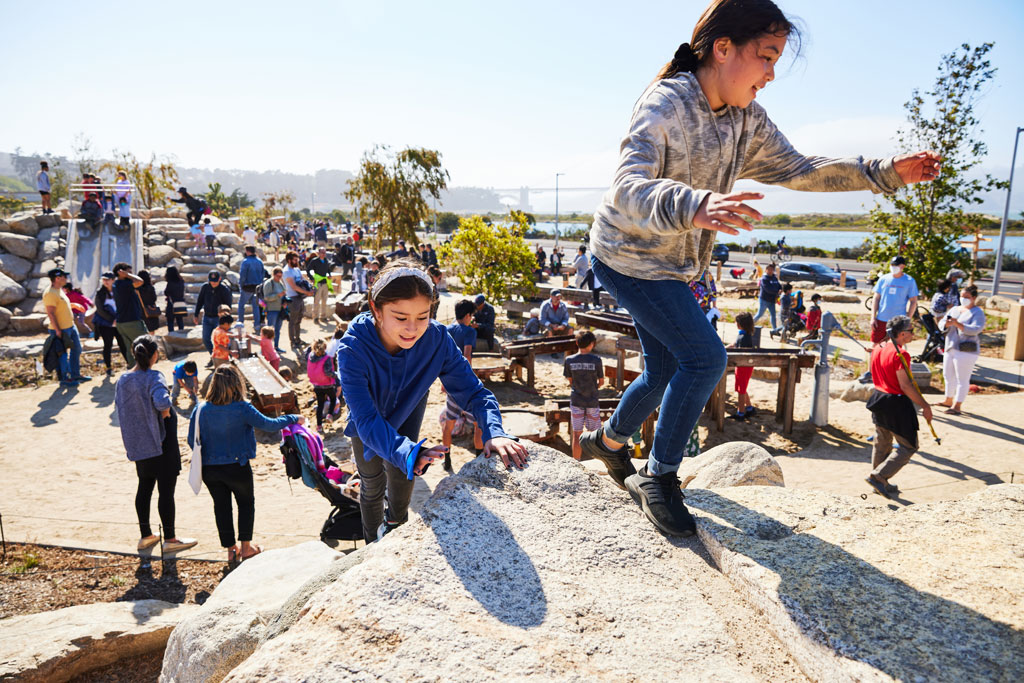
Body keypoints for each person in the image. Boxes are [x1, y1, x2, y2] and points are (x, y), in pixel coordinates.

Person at [581, 0, 941, 538]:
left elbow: (801, 169)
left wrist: (883, 171)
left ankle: (607, 444)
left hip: (673, 266)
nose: (772, 74)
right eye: (766, 56)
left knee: (662, 370)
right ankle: (660, 477)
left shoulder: (746, 118)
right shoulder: (665, 105)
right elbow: (626, 187)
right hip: (628, 259)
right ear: (722, 49)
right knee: (703, 360)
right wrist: (694, 205)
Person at [336, 258, 528, 543]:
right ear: (376, 309)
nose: (412, 328)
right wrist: (408, 451)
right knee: (372, 483)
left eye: (422, 316)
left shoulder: (437, 338)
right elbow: (366, 419)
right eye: (400, 318)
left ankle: (395, 532)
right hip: (369, 423)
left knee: (402, 480)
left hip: (409, 410)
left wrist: (494, 432)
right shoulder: (352, 347)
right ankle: (370, 547)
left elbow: (475, 393)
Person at [188, 364, 302, 563]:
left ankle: (231, 550)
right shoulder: (242, 408)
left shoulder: (201, 409)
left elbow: (192, 440)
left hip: (209, 468)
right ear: (236, 384)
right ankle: (246, 548)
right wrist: (294, 418)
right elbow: (269, 424)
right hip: (237, 466)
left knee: (221, 506)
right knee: (246, 504)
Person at [116, 335, 197, 555]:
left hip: (139, 443)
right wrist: (165, 411)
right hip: (161, 442)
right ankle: (170, 538)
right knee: (166, 492)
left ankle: (146, 536)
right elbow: (161, 401)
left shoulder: (123, 380)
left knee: (144, 487)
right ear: (154, 355)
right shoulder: (154, 376)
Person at [865, 316, 932, 497]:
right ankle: (878, 476)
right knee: (909, 445)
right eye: (911, 331)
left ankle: (880, 482)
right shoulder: (900, 353)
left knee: (882, 443)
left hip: (879, 398)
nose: (913, 334)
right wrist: (925, 406)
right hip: (895, 402)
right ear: (902, 333)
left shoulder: (878, 348)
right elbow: (905, 385)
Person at [442, 299, 484, 471]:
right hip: (465, 385)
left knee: (449, 421)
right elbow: (467, 356)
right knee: (478, 423)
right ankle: (480, 458)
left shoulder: (447, 330)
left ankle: (447, 459)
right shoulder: (469, 332)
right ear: (467, 315)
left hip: (450, 383)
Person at [936, 284, 985, 416]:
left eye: (967, 297)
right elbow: (942, 324)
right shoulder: (955, 309)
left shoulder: (977, 312)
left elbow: (976, 329)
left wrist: (958, 324)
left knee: (962, 379)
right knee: (948, 375)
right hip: (950, 346)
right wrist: (946, 324)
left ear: (974, 298)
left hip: (966, 350)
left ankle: (957, 405)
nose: (963, 299)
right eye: (962, 296)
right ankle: (948, 399)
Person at [43, 269, 89, 387]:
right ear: (57, 278)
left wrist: (73, 305)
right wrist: (57, 330)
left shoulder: (59, 290)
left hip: (70, 326)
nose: (66, 279)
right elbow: (51, 313)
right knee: (62, 354)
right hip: (60, 329)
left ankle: (75, 374)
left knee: (77, 349)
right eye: (64, 277)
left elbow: (61, 305)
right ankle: (64, 378)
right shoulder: (50, 293)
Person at [564, 330, 605, 460]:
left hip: (576, 401)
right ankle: (597, 461)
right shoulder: (596, 360)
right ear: (592, 344)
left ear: (577, 343)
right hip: (592, 400)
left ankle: (577, 461)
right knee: (594, 434)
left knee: (577, 434)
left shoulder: (569, 360)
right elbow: (601, 382)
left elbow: (570, 380)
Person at [871, 256, 919, 345]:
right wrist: (873, 317)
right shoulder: (884, 279)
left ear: (903, 266)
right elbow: (876, 298)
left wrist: (908, 319)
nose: (893, 267)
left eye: (896, 265)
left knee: (894, 347)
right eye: (892, 265)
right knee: (875, 345)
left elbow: (913, 301)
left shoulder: (909, 281)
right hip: (881, 319)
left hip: (897, 322)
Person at [112, 263, 148, 368]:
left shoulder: (117, 285)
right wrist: (127, 275)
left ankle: (133, 368)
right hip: (131, 321)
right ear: (121, 272)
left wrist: (126, 275)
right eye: (129, 272)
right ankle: (144, 367)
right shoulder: (123, 284)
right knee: (144, 343)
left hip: (121, 322)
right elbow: (140, 281)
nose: (131, 274)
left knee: (130, 347)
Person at [93, 272, 128, 375]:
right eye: (104, 280)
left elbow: (123, 305)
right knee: (108, 345)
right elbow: (100, 309)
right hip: (106, 324)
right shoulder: (100, 293)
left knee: (123, 344)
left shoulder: (119, 291)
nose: (106, 282)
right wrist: (111, 319)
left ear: (113, 280)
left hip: (119, 322)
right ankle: (108, 367)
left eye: (108, 279)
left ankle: (130, 364)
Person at [193, 271, 233, 355]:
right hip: (207, 317)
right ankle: (213, 355)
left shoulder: (224, 289)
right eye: (211, 280)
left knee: (221, 340)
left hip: (219, 319)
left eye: (215, 281)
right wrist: (196, 314)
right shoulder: (205, 287)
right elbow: (200, 301)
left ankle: (226, 356)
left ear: (219, 279)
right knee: (205, 339)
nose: (213, 283)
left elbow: (228, 305)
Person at [727, 312, 756, 419]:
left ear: (741, 324)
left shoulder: (745, 337)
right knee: (741, 387)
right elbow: (734, 344)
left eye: (737, 322)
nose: (735, 324)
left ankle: (741, 413)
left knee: (741, 389)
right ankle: (749, 408)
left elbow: (741, 350)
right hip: (741, 365)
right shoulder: (742, 334)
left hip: (744, 365)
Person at [283, 250, 314, 348]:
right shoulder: (287, 271)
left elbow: (302, 279)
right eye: (295, 260)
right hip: (292, 298)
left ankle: (298, 339)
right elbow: (294, 286)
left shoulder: (296, 269)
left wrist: (310, 285)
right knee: (292, 321)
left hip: (300, 297)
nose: (297, 261)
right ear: (289, 260)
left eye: (297, 260)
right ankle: (293, 341)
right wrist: (307, 292)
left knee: (299, 320)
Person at [307, 338, 339, 433]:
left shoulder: (311, 356)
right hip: (327, 384)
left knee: (320, 404)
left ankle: (319, 426)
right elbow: (328, 372)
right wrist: (336, 375)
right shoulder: (326, 358)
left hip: (316, 384)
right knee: (333, 398)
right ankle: (329, 414)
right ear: (325, 347)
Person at [238, 246, 265, 332]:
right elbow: (262, 274)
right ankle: (257, 324)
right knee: (256, 306)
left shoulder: (245, 262)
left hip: (247, 287)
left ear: (247, 251)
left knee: (241, 305)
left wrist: (241, 285)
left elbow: (243, 275)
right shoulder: (260, 261)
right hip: (257, 287)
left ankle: (241, 323)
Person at [306, 246, 334, 324]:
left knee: (324, 301)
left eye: (324, 252)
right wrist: (311, 278)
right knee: (316, 301)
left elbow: (328, 269)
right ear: (318, 253)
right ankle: (315, 317)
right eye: (322, 252)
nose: (323, 254)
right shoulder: (314, 261)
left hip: (325, 282)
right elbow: (308, 270)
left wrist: (329, 274)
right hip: (318, 283)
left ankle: (323, 316)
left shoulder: (326, 260)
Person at [262, 267, 287, 352]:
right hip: (272, 310)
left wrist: (285, 302)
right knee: (269, 331)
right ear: (273, 274)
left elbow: (283, 294)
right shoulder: (269, 283)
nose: (279, 278)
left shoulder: (280, 283)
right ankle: (267, 348)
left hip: (280, 310)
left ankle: (276, 347)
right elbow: (266, 297)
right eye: (278, 276)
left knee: (277, 330)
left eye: (281, 276)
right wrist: (278, 296)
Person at [752, 263, 781, 330]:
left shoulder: (774, 278)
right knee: (760, 314)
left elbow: (779, 285)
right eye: (769, 269)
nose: (770, 271)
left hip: (772, 300)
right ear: (766, 270)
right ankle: (750, 325)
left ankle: (775, 330)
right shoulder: (764, 279)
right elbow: (767, 289)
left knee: (773, 315)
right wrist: (776, 292)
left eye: (772, 269)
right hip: (764, 299)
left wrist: (780, 289)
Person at [164, 266, 187, 332]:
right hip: (180, 303)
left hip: (172, 304)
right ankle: (181, 333)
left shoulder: (170, 283)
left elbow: (166, 292)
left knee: (170, 321)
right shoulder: (181, 281)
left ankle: (171, 335)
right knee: (180, 320)